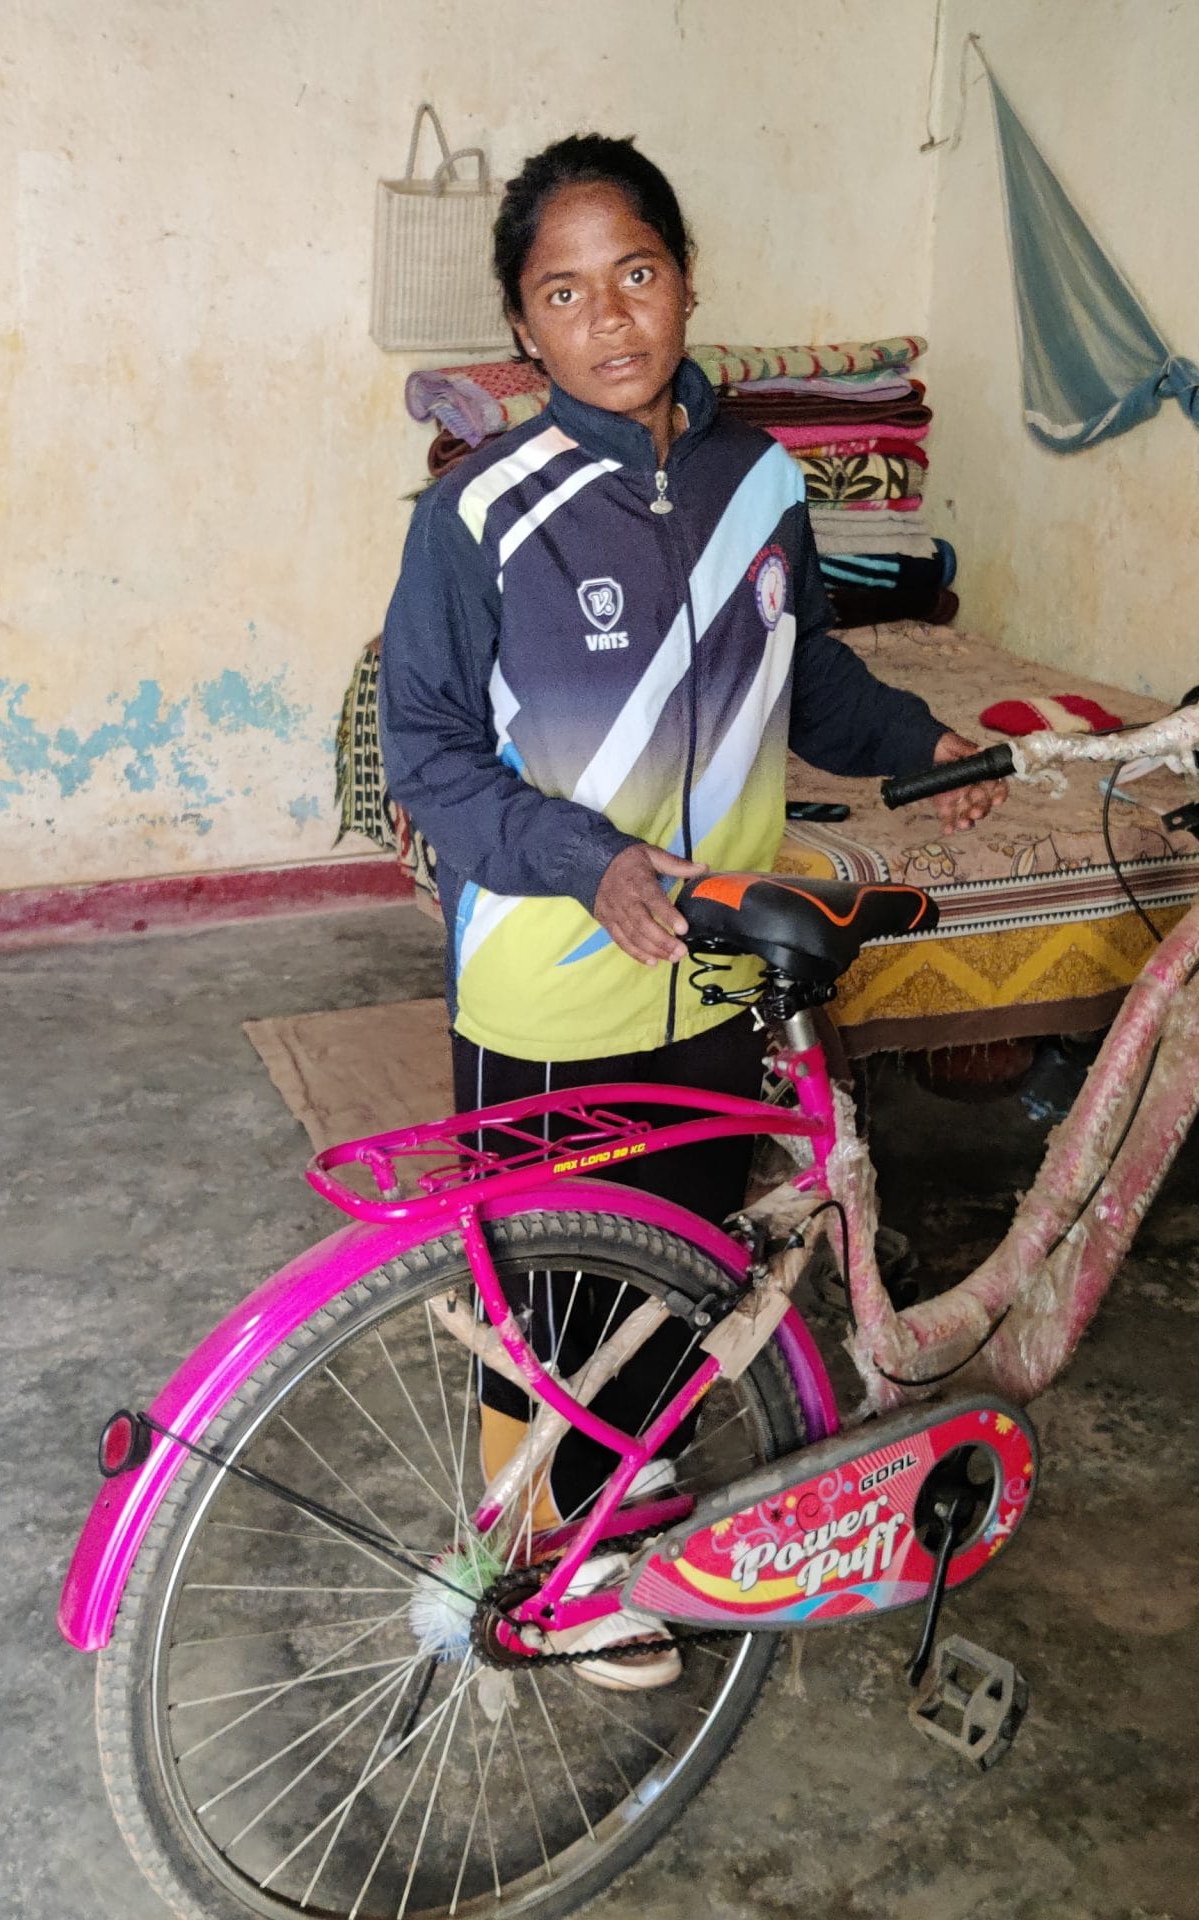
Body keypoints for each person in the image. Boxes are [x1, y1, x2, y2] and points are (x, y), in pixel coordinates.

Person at [379, 133, 1001, 1675]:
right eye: (565, 292)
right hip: (547, 981)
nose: (609, 318)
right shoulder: (479, 515)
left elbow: (808, 672)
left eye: (637, 274)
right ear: (523, 325)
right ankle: (532, 1573)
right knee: (546, 1309)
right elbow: (429, 757)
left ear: (687, 280)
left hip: (718, 968)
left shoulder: (762, 482)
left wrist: (917, 743)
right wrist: (581, 859)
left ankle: (627, 1520)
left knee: (684, 1269)